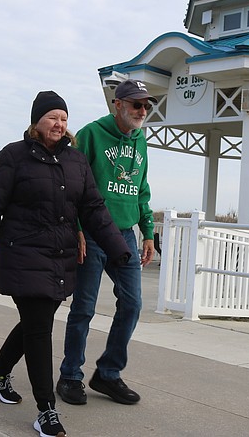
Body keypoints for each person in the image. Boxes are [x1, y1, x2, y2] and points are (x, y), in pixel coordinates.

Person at [0, 90, 131, 437]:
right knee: (39, 328)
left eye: (64, 119)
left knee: (35, 323)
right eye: (53, 117)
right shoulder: (14, 157)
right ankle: (46, 410)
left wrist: (117, 248)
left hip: (59, 259)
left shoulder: (76, 162)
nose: (59, 123)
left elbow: (93, 208)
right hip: (23, 254)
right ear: (37, 121)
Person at [57, 79, 157, 406]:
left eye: (146, 105)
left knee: (132, 304)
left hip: (125, 234)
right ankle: (70, 375)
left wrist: (148, 232)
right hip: (93, 233)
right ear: (118, 105)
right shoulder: (91, 134)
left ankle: (108, 374)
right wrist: (77, 229)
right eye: (136, 104)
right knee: (84, 307)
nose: (142, 111)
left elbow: (142, 190)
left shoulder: (141, 141)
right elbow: (68, 185)